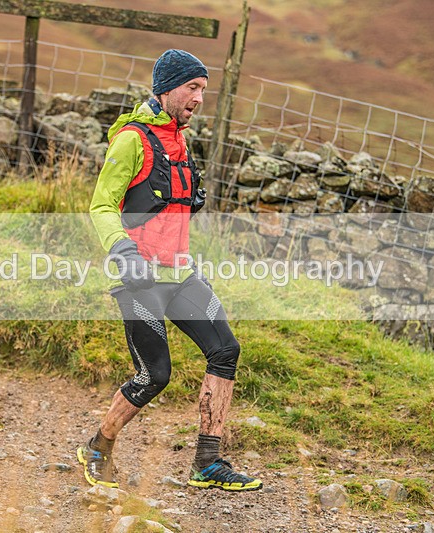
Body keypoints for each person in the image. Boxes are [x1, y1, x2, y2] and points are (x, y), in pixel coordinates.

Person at [79, 49, 262, 492]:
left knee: (225, 350)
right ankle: (99, 445)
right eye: (193, 88)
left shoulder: (179, 140)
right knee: (154, 376)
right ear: (167, 88)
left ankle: (208, 462)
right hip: (138, 279)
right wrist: (123, 249)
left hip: (179, 274)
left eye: (203, 90)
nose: (199, 99)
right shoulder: (132, 140)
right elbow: (102, 204)